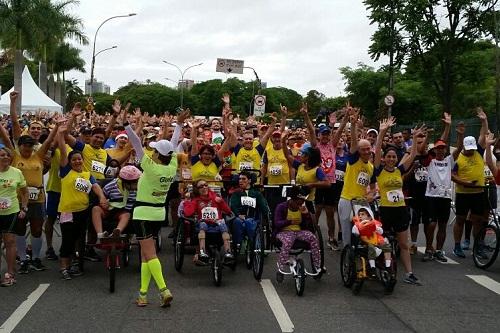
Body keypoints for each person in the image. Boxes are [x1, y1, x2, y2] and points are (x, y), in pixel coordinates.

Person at [125, 109, 188, 307]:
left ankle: (164, 290)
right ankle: (143, 295)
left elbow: (135, 143)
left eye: (153, 150)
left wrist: (125, 124)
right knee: (145, 255)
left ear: (157, 155)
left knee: (150, 254)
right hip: (158, 213)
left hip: (142, 213)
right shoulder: (171, 166)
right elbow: (174, 142)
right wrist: (177, 124)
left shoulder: (149, 166)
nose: (150, 151)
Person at [0, 115, 59, 273]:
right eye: (25, 146)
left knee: (37, 229)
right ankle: (23, 259)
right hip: (19, 200)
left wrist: (57, 127)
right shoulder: (14, 156)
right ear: (19, 146)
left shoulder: (38, 156)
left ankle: (35, 258)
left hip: (38, 198)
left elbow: (47, 143)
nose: (28, 148)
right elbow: (6, 139)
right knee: (19, 229)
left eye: (30, 146)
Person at [374, 117, 424, 285]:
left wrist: (415, 139)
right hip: (386, 211)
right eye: (388, 156)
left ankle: (409, 273)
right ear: (384, 158)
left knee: (403, 244)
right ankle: (385, 267)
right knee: (385, 242)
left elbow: (413, 154)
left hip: (400, 210)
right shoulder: (379, 171)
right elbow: (378, 150)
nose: (391, 159)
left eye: (393, 157)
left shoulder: (399, 170)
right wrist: (382, 132)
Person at [56, 124, 108, 280]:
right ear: (70, 161)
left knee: (79, 238)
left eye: (79, 159)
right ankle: (64, 267)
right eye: (74, 159)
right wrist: (60, 133)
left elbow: (96, 186)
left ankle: (74, 265)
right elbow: (63, 150)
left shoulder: (87, 174)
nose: (77, 161)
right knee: (67, 240)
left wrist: (102, 197)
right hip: (67, 212)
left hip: (83, 211)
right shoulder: (66, 171)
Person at [424, 119, 464, 262]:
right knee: (431, 224)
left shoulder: (449, 160)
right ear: (434, 150)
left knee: (442, 225)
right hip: (431, 196)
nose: (440, 150)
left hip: (445, 197)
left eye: (443, 148)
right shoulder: (430, 160)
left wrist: (460, 135)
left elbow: (459, 149)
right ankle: (429, 248)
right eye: (438, 148)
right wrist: (446, 127)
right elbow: (440, 140)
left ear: (445, 150)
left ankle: (439, 251)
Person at [451, 108, 488, 258]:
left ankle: (477, 246)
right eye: (469, 149)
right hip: (463, 193)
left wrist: (484, 120)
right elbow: (452, 175)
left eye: (473, 148)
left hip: (479, 192)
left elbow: (482, 134)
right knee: (460, 219)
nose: (472, 151)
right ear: (464, 146)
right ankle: (457, 246)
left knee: (478, 220)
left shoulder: (478, 151)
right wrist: (465, 182)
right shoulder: (459, 158)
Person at [337, 109, 376, 246]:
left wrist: (371, 194)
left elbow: (372, 187)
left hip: (361, 203)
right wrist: (353, 125)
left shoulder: (371, 167)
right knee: (347, 232)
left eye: (368, 148)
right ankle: (347, 255)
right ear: (358, 152)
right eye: (363, 149)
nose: (366, 151)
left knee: (363, 231)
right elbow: (354, 143)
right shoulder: (353, 160)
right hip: (347, 200)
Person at [314, 109, 348, 250]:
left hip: (331, 183)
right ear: (319, 135)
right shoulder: (315, 146)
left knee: (329, 212)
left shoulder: (333, 146)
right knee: (315, 211)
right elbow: (311, 131)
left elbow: (339, 132)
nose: (326, 136)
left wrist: (346, 117)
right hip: (318, 182)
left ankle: (331, 237)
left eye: (328, 134)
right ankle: (311, 236)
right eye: (324, 134)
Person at [273, 186, 322, 273]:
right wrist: (289, 222)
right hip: (284, 232)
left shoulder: (303, 209)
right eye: (298, 203)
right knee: (288, 241)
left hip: (299, 232)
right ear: (292, 200)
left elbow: (310, 228)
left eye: (302, 203)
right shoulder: (281, 207)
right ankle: (281, 265)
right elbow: (277, 223)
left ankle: (317, 265)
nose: (300, 205)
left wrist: (306, 215)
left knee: (313, 238)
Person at [183, 179, 233, 261]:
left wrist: (221, 202)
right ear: (197, 190)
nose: (204, 187)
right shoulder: (196, 200)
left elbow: (228, 211)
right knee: (202, 225)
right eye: (201, 186)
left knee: (223, 225)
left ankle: (228, 252)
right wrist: (187, 201)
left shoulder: (215, 197)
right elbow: (188, 213)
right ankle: (202, 252)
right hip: (204, 223)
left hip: (217, 222)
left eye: (206, 185)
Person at [0, 147, 28, 286]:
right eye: (1, 155)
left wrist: (24, 207)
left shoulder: (16, 172)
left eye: (7, 155)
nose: (5, 157)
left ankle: (10, 273)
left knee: (10, 242)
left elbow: (24, 192)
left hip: (11, 212)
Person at [91, 165, 141, 239]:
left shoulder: (139, 189)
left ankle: (117, 231)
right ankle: (100, 234)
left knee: (126, 215)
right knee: (95, 209)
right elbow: (102, 197)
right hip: (110, 209)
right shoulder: (111, 186)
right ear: (125, 182)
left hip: (124, 212)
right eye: (134, 183)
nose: (135, 185)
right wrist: (103, 201)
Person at [229, 171, 270, 252]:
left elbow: (264, 207)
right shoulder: (236, 193)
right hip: (239, 218)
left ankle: (252, 244)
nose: (240, 181)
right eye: (239, 179)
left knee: (248, 222)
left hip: (253, 218)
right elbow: (233, 206)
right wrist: (238, 215)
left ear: (250, 181)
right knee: (237, 222)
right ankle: (238, 244)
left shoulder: (256, 193)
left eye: (243, 179)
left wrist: (266, 215)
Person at [352, 207, 392, 277]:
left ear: (370, 217)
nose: (360, 216)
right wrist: (360, 229)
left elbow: (381, 232)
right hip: (364, 243)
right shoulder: (357, 225)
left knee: (386, 246)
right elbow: (354, 233)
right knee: (371, 248)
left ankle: (388, 266)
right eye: (359, 215)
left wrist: (375, 228)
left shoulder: (375, 224)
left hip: (377, 242)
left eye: (363, 214)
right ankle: (372, 268)